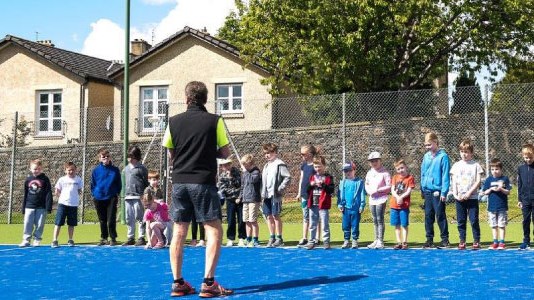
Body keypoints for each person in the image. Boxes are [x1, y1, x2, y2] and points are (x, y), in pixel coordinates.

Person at [162, 81, 233, 297]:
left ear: (186, 99)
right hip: (203, 181)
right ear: (205, 99)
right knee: (213, 230)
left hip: (180, 182)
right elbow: (225, 152)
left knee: (179, 231)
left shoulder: (173, 122)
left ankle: (177, 282)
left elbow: (170, 153)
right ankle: (209, 283)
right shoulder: (215, 121)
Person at [450, 139, 483, 250]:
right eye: (462, 152)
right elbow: (453, 181)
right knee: (461, 221)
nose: (464, 154)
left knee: (473, 220)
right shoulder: (456, 166)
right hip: (459, 199)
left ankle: (476, 241)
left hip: (472, 198)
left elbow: (478, 181)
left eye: (467, 152)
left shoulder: (476, 166)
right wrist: (455, 194)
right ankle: (462, 241)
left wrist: (469, 193)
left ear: (471, 153)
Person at [420, 132, 450, 248]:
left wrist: (444, 191)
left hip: (438, 191)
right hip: (427, 191)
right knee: (428, 215)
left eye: (430, 145)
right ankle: (429, 239)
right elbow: (422, 172)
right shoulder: (426, 157)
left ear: (436, 142)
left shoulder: (443, 157)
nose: (428, 147)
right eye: (426, 145)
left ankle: (445, 239)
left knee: (440, 214)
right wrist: (422, 188)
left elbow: (445, 175)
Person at [261, 142, 291, 248]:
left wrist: (280, 188)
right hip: (266, 195)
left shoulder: (279, 164)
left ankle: (279, 238)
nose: (267, 155)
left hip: (275, 194)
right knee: (268, 216)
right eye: (265, 153)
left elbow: (287, 177)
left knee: (275, 215)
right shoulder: (266, 166)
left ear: (275, 152)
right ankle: (272, 236)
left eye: (269, 153)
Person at [90, 148, 122, 246]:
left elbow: (119, 183)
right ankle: (104, 237)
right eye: (103, 157)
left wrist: (116, 193)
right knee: (102, 219)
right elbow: (92, 184)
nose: (106, 158)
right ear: (99, 158)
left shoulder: (115, 170)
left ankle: (113, 238)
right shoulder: (95, 171)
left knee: (111, 218)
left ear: (110, 157)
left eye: (107, 156)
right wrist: (94, 194)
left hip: (111, 197)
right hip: (98, 198)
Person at [19, 159, 53, 247]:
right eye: (34, 169)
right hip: (29, 206)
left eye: (38, 168)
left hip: (41, 207)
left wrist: (48, 206)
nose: (36, 170)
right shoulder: (28, 180)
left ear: (41, 169)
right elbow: (25, 194)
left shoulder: (45, 179)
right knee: (27, 223)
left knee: (40, 224)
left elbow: (48, 193)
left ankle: (37, 239)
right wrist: (23, 207)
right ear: (30, 169)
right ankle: (26, 239)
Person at [305, 155, 334, 250]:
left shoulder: (328, 177)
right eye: (316, 166)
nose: (318, 168)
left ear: (324, 166)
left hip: (323, 205)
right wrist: (311, 185)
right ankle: (311, 241)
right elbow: (307, 190)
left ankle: (326, 241)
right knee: (313, 224)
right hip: (313, 204)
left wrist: (324, 184)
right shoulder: (312, 177)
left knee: (325, 224)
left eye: (320, 166)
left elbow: (331, 190)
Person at [122, 145, 149, 246]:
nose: (129, 159)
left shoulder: (142, 169)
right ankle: (130, 237)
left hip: (138, 196)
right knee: (129, 217)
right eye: (128, 156)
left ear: (136, 157)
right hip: (128, 196)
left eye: (132, 157)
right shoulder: (126, 169)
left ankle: (141, 237)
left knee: (140, 217)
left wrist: (145, 195)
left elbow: (146, 183)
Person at [51, 162, 83, 248]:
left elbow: (80, 190)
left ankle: (70, 239)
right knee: (58, 223)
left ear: (76, 170)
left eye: (73, 170)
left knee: (71, 224)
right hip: (62, 204)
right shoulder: (62, 179)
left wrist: (75, 197)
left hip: (73, 205)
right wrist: (61, 197)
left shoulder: (78, 180)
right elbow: (57, 190)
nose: (71, 171)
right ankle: (54, 240)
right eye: (69, 170)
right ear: (65, 170)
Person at [482, 158, 511, 250]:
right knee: (493, 225)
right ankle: (495, 242)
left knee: (501, 225)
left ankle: (502, 242)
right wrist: (491, 189)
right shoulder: (488, 179)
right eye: (492, 169)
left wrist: (501, 189)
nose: (494, 171)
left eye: (497, 169)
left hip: (502, 207)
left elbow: (508, 192)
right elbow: (484, 192)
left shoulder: (505, 179)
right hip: (492, 207)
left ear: (501, 169)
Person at [365, 151, 391, 249]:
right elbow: (366, 184)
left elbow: (389, 186)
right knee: (374, 219)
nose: (374, 163)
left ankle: (381, 240)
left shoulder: (385, 173)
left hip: (381, 199)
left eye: (376, 160)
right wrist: (370, 192)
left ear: (380, 161)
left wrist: (378, 190)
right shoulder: (369, 173)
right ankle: (376, 239)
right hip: (372, 199)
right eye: (372, 161)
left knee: (380, 219)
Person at [337, 161, 366, 249]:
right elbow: (340, 195)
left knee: (355, 225)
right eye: (346, 171)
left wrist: (361, 205)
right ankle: (346, 240)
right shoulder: (343, 183)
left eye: (350, 170)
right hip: (346, 209)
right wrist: (340, 204)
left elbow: (362, 194)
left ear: (354, 170)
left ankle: (354, 240)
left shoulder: (359, 182)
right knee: (345, 225)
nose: (348, 173)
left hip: (356, 209)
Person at [217, 158, 245, 247]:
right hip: (230, 200)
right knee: (230, 220)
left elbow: (241, 185)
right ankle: (230, 238)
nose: (226, 167)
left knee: (241, 219)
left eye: (227, 164)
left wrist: (239, 197)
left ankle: (242, 238)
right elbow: (222, 188)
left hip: (239, 200)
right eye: (223, 165)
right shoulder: (222, 176)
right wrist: (231, 195)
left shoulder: (237, 172)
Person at [296, 144, 319, 247]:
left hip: (314, 194)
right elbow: (301, 179)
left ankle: (317, 238)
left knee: (315, 216)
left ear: (309, 154)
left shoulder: (315, 165)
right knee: (306, 216)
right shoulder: (303, 165)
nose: (302, 156)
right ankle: (304, 237)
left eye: (303, 154)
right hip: (305, 195)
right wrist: (299, 193)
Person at [389, 159, 415, 250]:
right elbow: (392, 190)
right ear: (396, 170)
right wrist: (397, 197)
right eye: (399, 169)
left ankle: (404, 242)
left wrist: (402, 197)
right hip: (394, 205)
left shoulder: (410, 178)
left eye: (402, 168)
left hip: (404, 206)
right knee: (396, 225)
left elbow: (408, 190)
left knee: (404, 224)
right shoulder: (395, 177)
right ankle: (398, 242)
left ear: (406, 167)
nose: (401, 170)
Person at [239, 154, 262, 247]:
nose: (244, 166)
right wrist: (240, 196)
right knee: (246, 220)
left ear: (249, 163)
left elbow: (253, 180)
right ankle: (248, 238)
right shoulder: (245, 173)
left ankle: (255, 239)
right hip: (246, 199)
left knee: (253, 220)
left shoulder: (256, 172)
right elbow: (243, 186)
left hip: (253, 199)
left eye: (245, 164)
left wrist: (246, 172)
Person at [148, 170, 172, 245]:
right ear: (149, 180)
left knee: (160, 224)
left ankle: (162, 238)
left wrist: (160, 203)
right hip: (151, 212)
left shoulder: (159, 190)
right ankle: (150, 240)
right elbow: (148, 200)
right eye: (154, 180)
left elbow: (161, 201)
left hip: (158, 212)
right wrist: (156, 201)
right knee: (150, 225)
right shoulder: (148, 189)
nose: (155, 182)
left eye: (157, 180)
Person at [517, 143, 534, 250]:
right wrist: (519, 199)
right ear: (523, 156)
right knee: (526, 220)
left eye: (530, 157)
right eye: (526, 157)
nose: (528, 159)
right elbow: (519, 184)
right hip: (525, 200)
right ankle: (526, 240)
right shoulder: (521, 168)